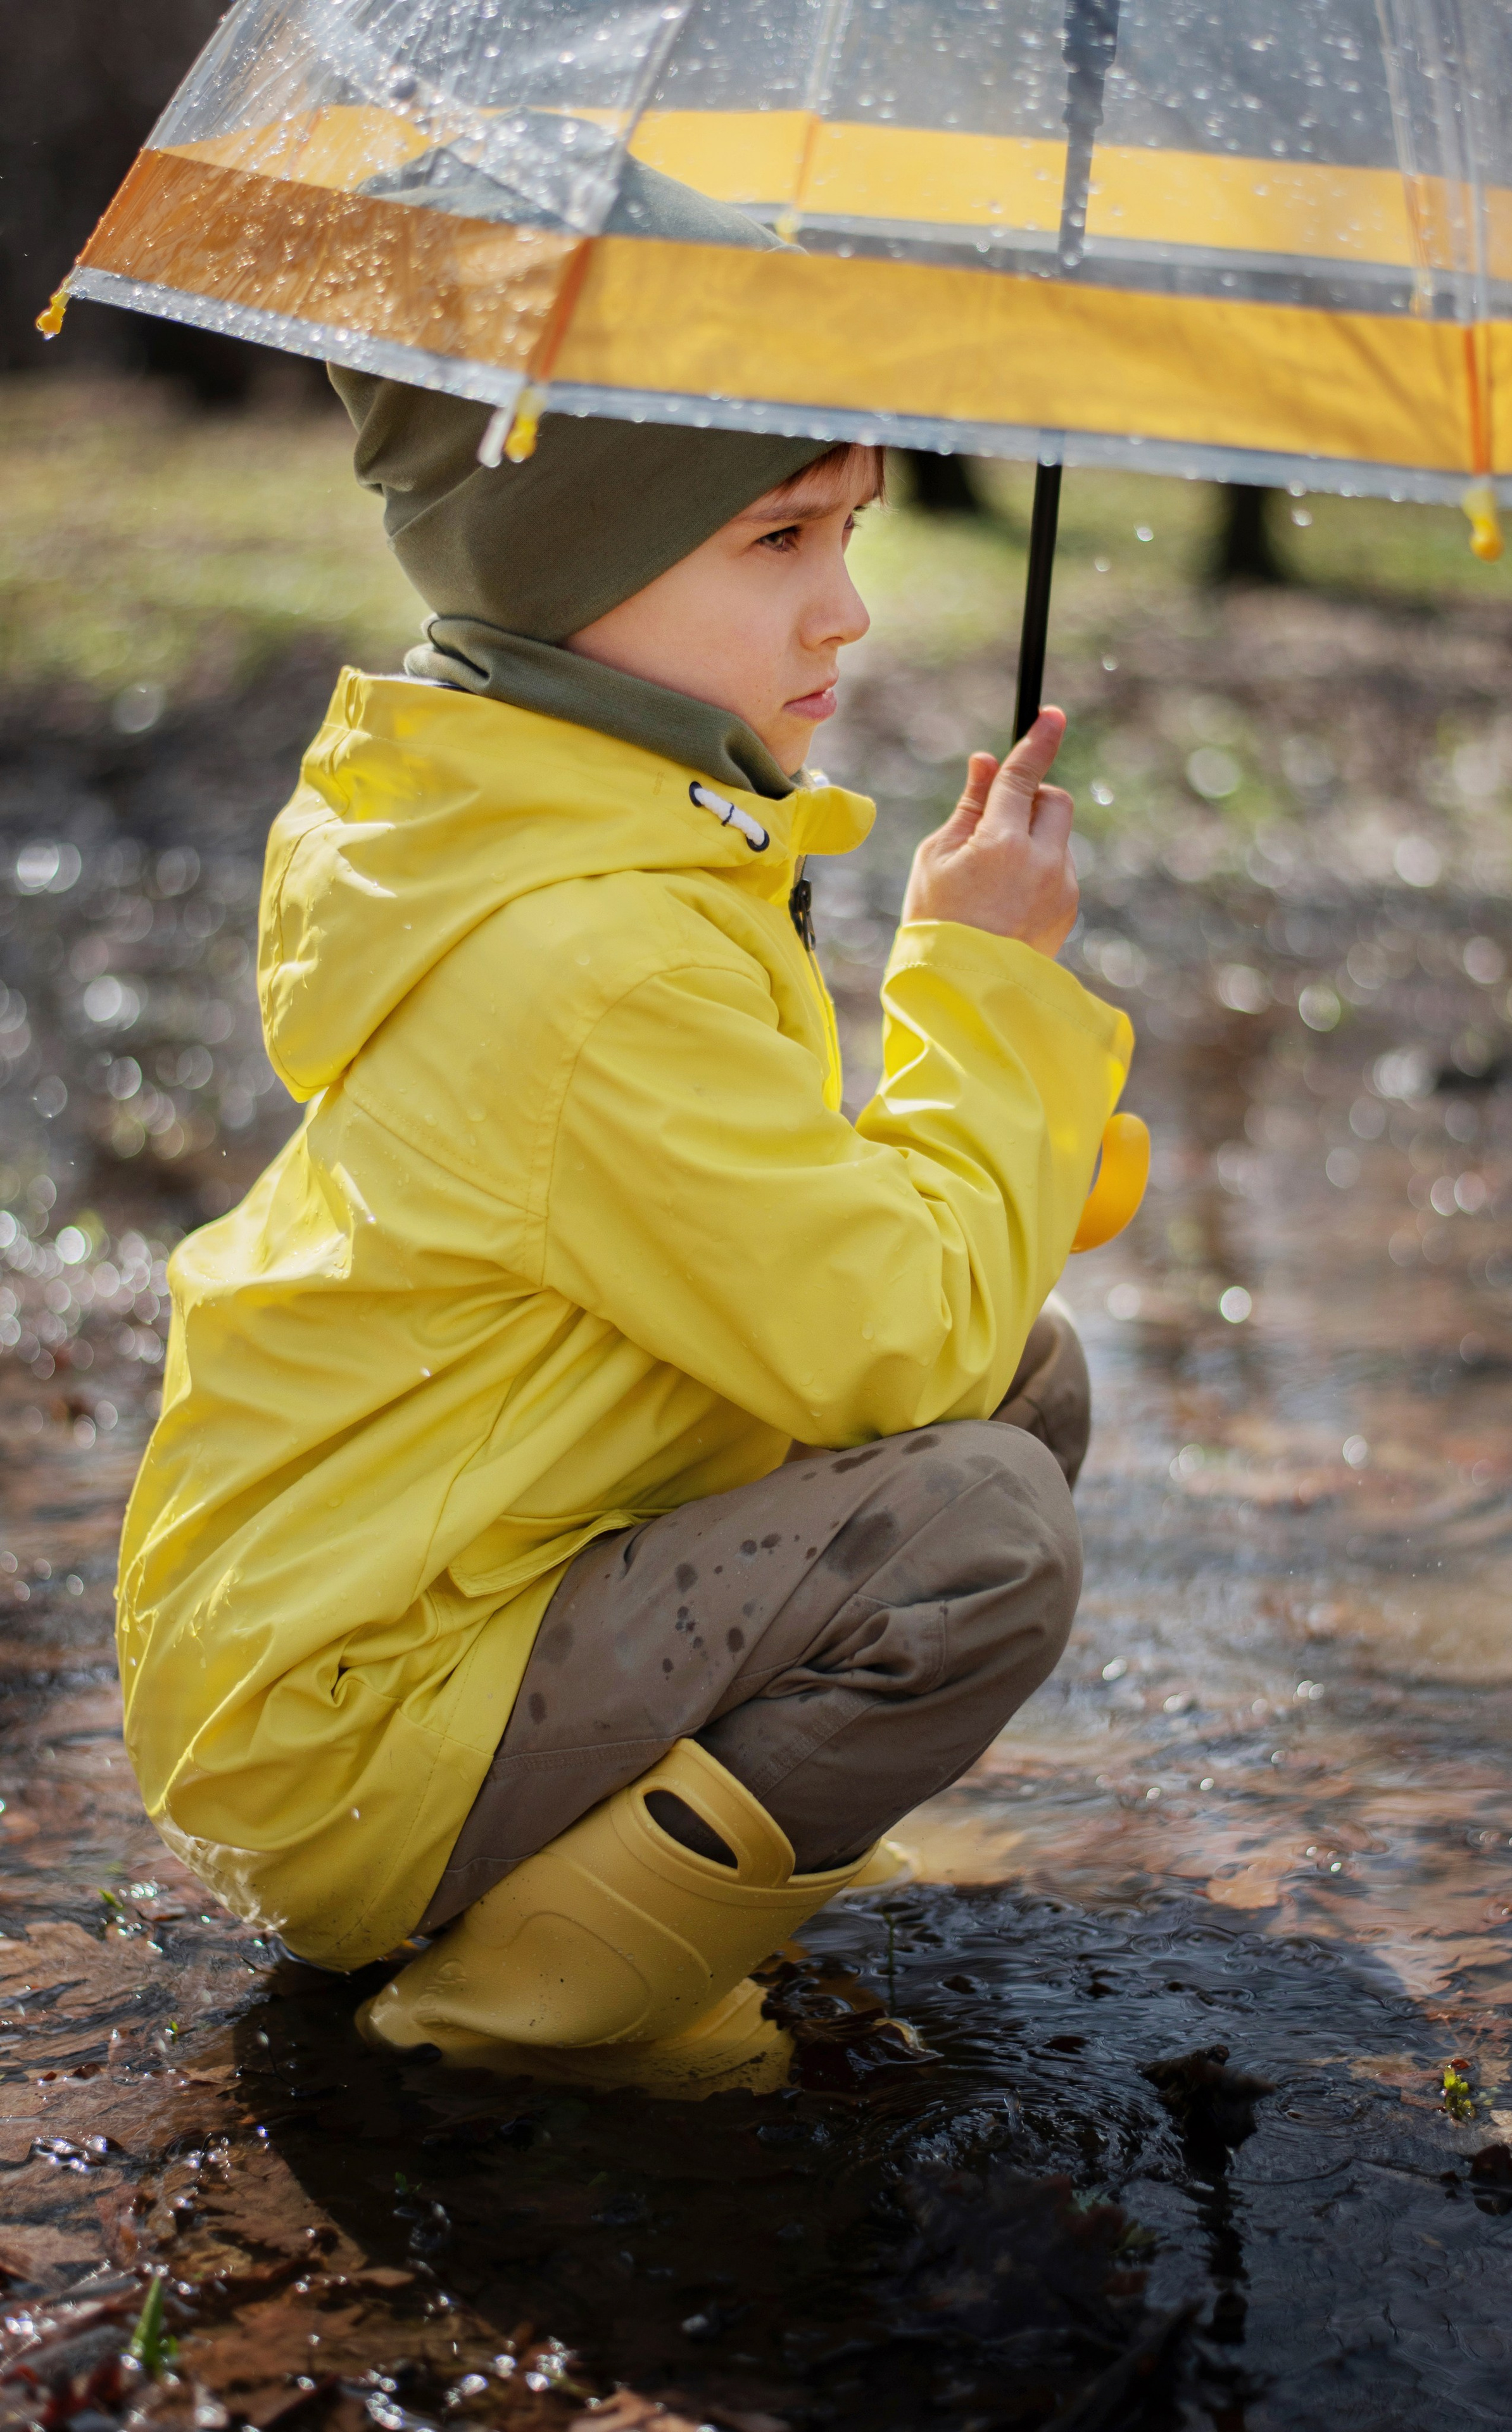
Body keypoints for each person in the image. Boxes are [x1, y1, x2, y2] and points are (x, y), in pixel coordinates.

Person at [115, 187, 1135, 2097]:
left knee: (1025, 1374)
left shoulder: (595, 827)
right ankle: (539, 1999)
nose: (844, 605)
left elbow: (845, 1288)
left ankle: (627, 1861)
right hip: (351, 1726)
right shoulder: (588, 946)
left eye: (850, 529)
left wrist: (996, 1070)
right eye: (775, 537)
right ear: (566, 553)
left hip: (379, 1639)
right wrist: (985, 997)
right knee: (975, 1531)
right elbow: (880, 1340)